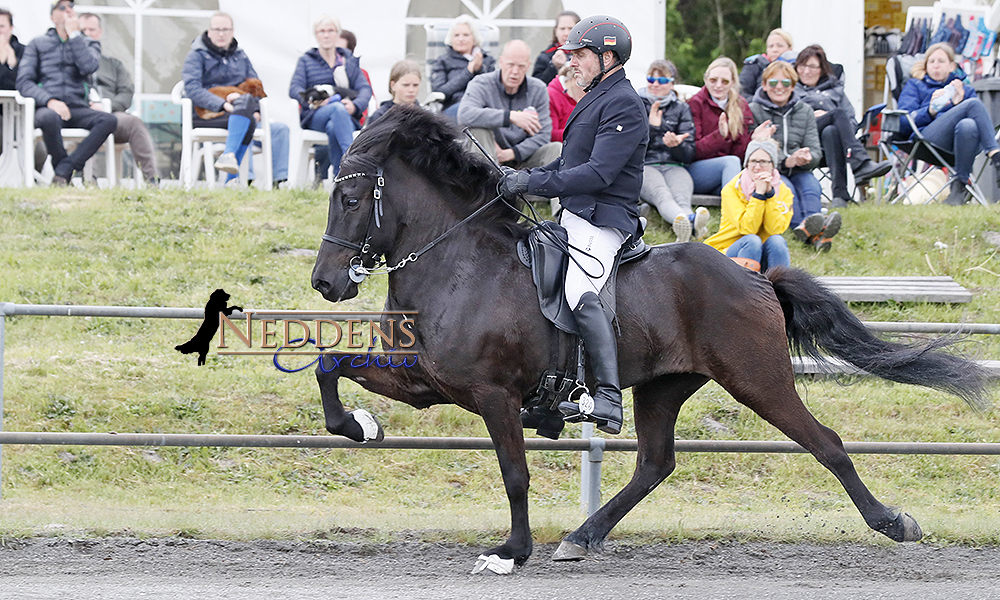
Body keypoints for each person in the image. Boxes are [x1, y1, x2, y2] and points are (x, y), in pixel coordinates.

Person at [497, 16, 647, 435]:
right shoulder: (594, 97)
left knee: (579, 289)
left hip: (604, 218)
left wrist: (534, 182)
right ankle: (553, 396)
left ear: (608, 57)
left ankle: (610, 399)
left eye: (580, 55)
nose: (572, 64)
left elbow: (598, 173)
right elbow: (567, 162)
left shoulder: (624, 103)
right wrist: (523, 177)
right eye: (572, 56)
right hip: (575, 214)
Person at [182, 11, 289, 187]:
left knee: (279, 129)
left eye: (225, 29)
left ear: (233, 31)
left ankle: (278, 183)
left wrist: (255, 111)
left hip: (240, 111)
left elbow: (255, 87)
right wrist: (222, 103)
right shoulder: (196, 55)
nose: (221, 33)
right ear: (209, 31)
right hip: (209, 114)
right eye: (217, 29)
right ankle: (239, 180)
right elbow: (192, 89)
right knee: (245, 117)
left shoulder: (241, 56)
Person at [16, 0, 117, 186]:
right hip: (48, 108)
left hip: (77, 107)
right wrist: (49, 100)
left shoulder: (88, 43)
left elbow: (89, 67)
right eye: (62, 8)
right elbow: (23, 82)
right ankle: (62, 172)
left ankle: (64, 170)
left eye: (71, 7)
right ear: (52, 17)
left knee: (109, 120)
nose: (68, 11)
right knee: (49, 118)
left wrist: (75, 36)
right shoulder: (37, 44)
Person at [897, 41, 1000, 205]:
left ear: (952, 66)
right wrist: (929, 110)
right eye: (931, 61)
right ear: (925, 66)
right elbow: (902, 122)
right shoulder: (915, 85)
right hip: (928, 138)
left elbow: (979, 122)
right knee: (973, 104)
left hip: (963, 144)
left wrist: (959, 102)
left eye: (941, 61)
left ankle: (958, 190)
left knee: (968, 125)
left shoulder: (964, 89)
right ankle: (996, 155)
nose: (936, 66)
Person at [750, 60, 837, 249]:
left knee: (812, 187)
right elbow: (752, 151)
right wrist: (785, 161)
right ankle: (810, 231)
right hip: (773, 170)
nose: (779, 87)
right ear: (764, 85)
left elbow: (815, 149)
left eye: (785, 83)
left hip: (800, 169)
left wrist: (806, 157)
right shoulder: (754, 110)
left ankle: (813, 231)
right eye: (773, 83)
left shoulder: (804, 110)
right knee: (787, 192)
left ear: (793, 86)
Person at [794, 44, 890, 207]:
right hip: (805, 142)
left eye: (812, 66)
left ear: (822, 69)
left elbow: (852, 123)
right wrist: (814, 115)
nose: (806, 71)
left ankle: (840, 196)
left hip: (832, 146)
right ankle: (861, 164)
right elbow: (791, 120)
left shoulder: (835, 91)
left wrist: (833, 121)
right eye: (802, 66)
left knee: (831, 130)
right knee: (837, 114)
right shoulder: (792, 89)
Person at [458, 39, 561, 180]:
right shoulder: (481, 83)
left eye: (521, 66)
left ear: (528, 67)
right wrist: (510, 117)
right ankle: (487, 195)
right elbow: (464, 114)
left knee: (556, 148)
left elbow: (543, 134)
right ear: (501, 62)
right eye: (510, 65)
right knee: (478, 131)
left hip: (524, 159)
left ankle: (561, 202)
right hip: (489, 154)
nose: (514, 72)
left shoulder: (538, 89)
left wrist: (512, 153)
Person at [78, 13, 159, 184]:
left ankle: (152, 180)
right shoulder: (70, 64)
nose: (87, 33)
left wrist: (107, 107)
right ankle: (89, 182)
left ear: (99, 32)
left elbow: (126, 93)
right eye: (82, 30)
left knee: (134, 123)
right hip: (83, 115)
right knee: (88, 127)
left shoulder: (114, 65)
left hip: (112, 115)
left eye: (91, 29)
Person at [289, 15, 373, 180]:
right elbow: (294, 89)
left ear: (338, 34)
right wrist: (314, 100)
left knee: (334, 125)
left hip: (345, 116)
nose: (326, 35)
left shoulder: (348, 61)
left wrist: (355, 105)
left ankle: (339, 178)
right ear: (316, 35)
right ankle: (352, 163)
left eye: (330, 31)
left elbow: (365, 89)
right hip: (314, 116)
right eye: (321, 31)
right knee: (336, 108)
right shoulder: (306, 61)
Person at [637, 58, 707, 242]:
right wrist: (653, 128)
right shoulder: (635, 104)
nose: (655, 85)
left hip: (674, 164)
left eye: (661, 80)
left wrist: (677, 145)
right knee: (662, 194)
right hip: (646, 166)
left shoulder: (682, 108)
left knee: (682, 198)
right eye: (651, 80)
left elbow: (689, 154)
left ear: (671, 83)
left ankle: (688, 222)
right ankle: (689, 223)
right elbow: (630, 147)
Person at [704, 140, 793, 271]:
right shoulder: (731, 189)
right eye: (753, 161)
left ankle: (783, 288)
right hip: (730, 252)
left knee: (777, 241)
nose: (757, 167)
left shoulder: (784, 192)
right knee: (752, 241)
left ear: (773, 165)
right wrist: (758, 195)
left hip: (763, 253)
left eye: (763, 162)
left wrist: (769, 196)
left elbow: (775, 229)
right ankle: (744, 290)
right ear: (746, 163)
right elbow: (747, 228)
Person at [687, 57, 755, 198]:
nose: (718, 85)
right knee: (731, 163)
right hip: (696, 171)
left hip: (728, 173)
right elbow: (694, 151)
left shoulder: (741, 105)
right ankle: (735, 217)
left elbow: (740, 154)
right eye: (713, 80)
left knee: (746, 181)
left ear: (733, 83)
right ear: (706, 80)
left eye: (724, 81)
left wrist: (753, 139)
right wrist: (720, 136)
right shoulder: (695, 103)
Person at [430, 15, 495, 119]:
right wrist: (468, 72)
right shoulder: (443, 61)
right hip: (455, 107)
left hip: (483, 106)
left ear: (474, 38)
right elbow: (440, 91)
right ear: (451, 39)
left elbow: (494, 89)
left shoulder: (486, 60)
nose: (461, 39)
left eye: (466, 35)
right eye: (456, 35)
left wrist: (479, 70)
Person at [740, 28, 794, 101]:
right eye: (771, 46)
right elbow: (741, 94)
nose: (774, 50)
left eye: (780, 46)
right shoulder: (753, 65)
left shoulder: (798, 68)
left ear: (790, 49)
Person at [365, 59, 421, 127]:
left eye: (415, 85)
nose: (411, 90)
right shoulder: (380, 117)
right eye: (405, 85)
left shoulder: (426, 117)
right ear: (393, 85)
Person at [532, 11, 580, 84]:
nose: (566, 33)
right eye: (562, 28)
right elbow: (537, 87)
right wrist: (553, 66)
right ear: (556, 31)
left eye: (570, 28)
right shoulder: (545, 57)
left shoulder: (588, 54)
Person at [548, 63, 584, 142]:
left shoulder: (589, 95)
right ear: (576, 78)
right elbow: (550, 134)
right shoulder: (551, 95)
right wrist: (581, 133)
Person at [0, 8, 24, 90]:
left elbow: (24, 80)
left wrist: (14, 64)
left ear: (11, 28)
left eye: (2, 26)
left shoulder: (23, 51)